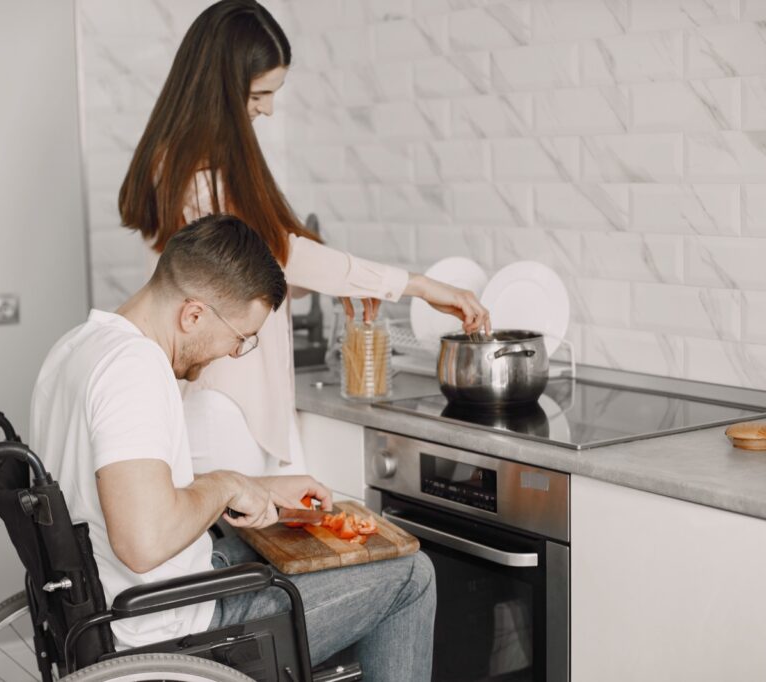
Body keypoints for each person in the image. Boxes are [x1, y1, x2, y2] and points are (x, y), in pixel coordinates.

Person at [30, 214, 436, 681]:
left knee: (284, 546)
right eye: (240, 338)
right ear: (194, 314)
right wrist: (225, 484)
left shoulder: (76, 347)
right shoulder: (134, 370)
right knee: (411, 576)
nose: (231, 352)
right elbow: (144, 543)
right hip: (169, 636)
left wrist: (253, 486)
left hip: (118, 614)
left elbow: (118, 494)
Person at [119, 0, 491, 477]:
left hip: (228, 403)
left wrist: (338, 285)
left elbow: (252, 275)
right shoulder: (203, 176)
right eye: (258, 94)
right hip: (226, 405)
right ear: (222, 89)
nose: (269, 109)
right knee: (260, 546)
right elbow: (283, 255)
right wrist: (414, 284)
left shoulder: (182, 164)